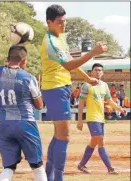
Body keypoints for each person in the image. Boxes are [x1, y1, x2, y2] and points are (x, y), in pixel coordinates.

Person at [40, 4, 107, 181]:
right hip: (55, 89)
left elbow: (70, 59)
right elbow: (69, 65)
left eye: (65, 22)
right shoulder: (51, 42)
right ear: (49, 22)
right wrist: (93, 52)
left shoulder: (59, 37)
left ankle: (48, 176)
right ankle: (57, 178)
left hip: (57, 88)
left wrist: (86, 78)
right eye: (60, 22)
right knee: (65, 136)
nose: (64, 25)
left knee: (58, 135)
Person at [0, 45, 47, 181]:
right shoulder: (28, 78)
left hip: (4, 124)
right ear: (24, 60)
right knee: (37, 166)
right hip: (25, 124)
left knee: (9, 167)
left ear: (7, 58)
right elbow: (39, 106)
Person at [77, 63, 127, 174]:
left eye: (100, 70)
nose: (98, 72)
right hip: (92, 118)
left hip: (101, 119)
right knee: (100, 141)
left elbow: (110, 101)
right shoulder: (86, 85)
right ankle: (110, 168)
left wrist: (120, 109)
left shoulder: (104, 85)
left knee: (94, 142)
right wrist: (80, 120)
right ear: (91, 72)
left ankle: (81, 165)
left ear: (102, 72)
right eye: (96, 70)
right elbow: (81, 103)